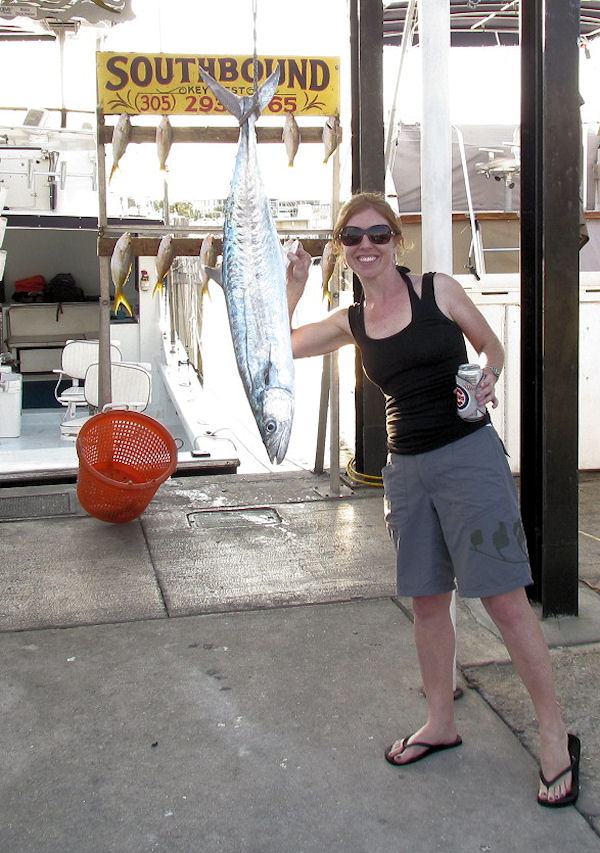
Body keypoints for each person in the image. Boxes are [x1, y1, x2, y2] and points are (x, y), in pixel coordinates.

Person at [286, 191, 580, 808]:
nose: (366, 246)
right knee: (426, 602)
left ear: (396, 240)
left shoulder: (436, 290)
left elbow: (489, 345)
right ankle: (441, 722)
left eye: (378, 235)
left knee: (503, 600)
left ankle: (554, 734)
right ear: (341, 249)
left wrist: (489, 376)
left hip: (468, 457)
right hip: (407, 469)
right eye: (352, 237)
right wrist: (293, 287)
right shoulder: (351, 320)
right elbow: (279, 347)